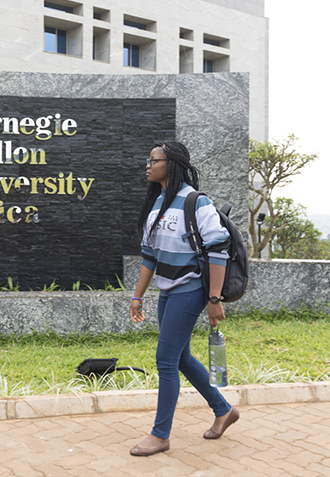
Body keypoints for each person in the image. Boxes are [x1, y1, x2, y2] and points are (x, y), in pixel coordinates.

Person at [128, 141, 240, 457]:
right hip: (167, 289)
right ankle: (223, 409)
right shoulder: (158, 203)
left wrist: (214, 299)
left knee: (165, 359)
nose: (147, 165)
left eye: (153, 160)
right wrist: (138, 296)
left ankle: (160, 435)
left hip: (190, 289)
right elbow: (149, 256)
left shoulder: (196, 202)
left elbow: (219, 250)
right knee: (180, 358)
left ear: (172, 163)